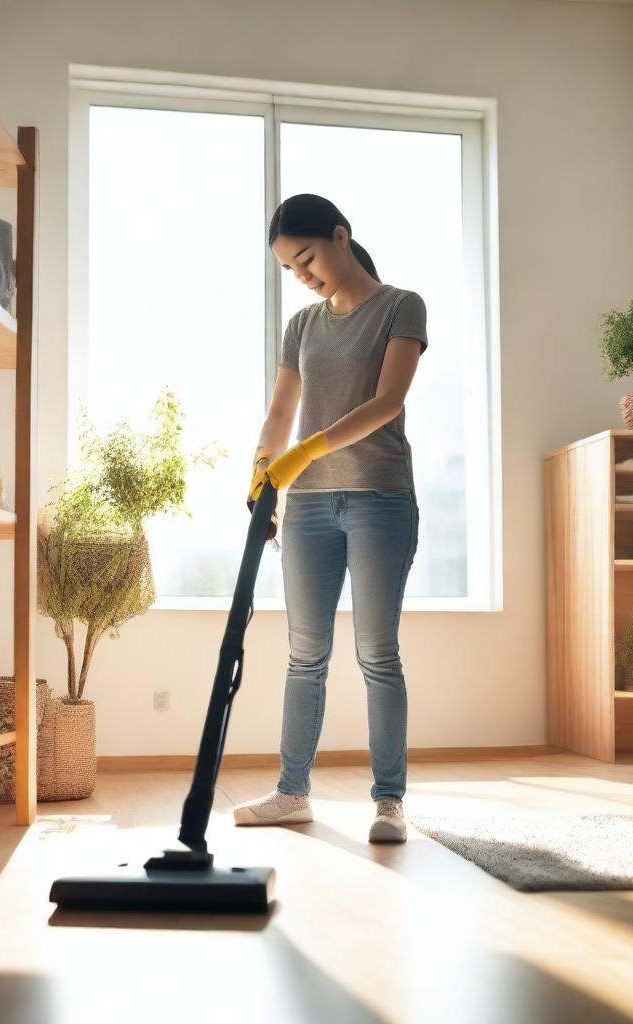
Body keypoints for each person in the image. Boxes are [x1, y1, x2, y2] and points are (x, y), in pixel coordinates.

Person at [233, 193, 428, 843]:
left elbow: (387, 402)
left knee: (377, 653)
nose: (303, 274)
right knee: (304, 653)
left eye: (307, 258)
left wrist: (303, 454)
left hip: (379, 498)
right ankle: (292, 793)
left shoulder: (401, 306)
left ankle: (388, 801)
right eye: (291, 268)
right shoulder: (302, 326)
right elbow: (280, 411)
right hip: (309, 506)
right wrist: (264, 468)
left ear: (341, 236)